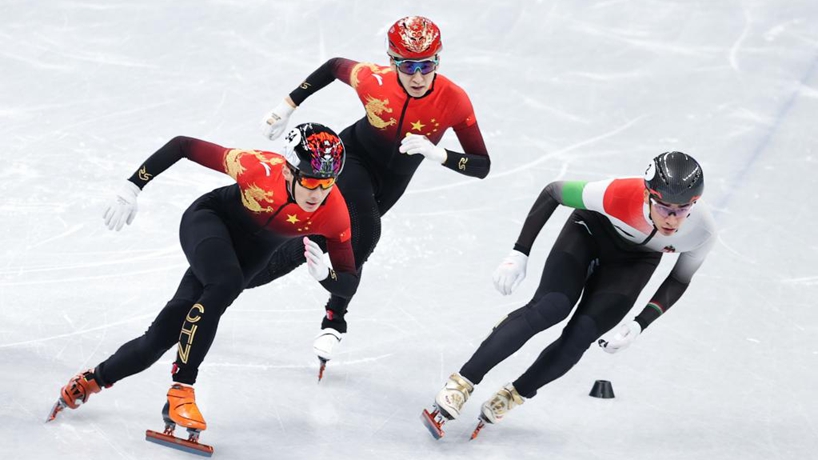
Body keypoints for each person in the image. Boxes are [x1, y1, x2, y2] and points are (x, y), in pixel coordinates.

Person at [48, 123, 357, 446]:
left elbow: (348, 282)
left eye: (328, 182)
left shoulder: (334, 212)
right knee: (225, 283)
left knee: (160, 337)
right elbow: (183, 145)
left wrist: (326, 277)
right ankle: (182, 389)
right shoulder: (258, 167)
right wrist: (132, 186)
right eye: (310, 181)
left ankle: (91, 380)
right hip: (209, 221)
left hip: (246, 258)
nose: (318, 193)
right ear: (288, 170)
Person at [422, 151, 717, 439]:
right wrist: (519, 252)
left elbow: (679, 279)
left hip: (635, 262)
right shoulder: (617, 193)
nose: (672, 219)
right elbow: (553, 191)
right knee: (550, 307)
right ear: (646, 195)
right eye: (664, 208)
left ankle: (514, 394)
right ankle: (461, 384)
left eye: (683, 209)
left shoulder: (702, 230)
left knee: (581, 336)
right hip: (590, 233)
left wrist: (641, 323)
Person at [252, 16, 492, 367]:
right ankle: (334, 321)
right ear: (392, 62)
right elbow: (333, 66)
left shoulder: (454, 100)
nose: (418, 77)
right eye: (407, 66)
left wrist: (439, 154)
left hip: (392, 183)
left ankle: (242, 280)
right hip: (354, 158)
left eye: (426, 66)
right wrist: (286, 106)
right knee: (364, 229)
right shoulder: (372, 80)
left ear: (438, 61)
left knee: (325, 242)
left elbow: (482, 165)